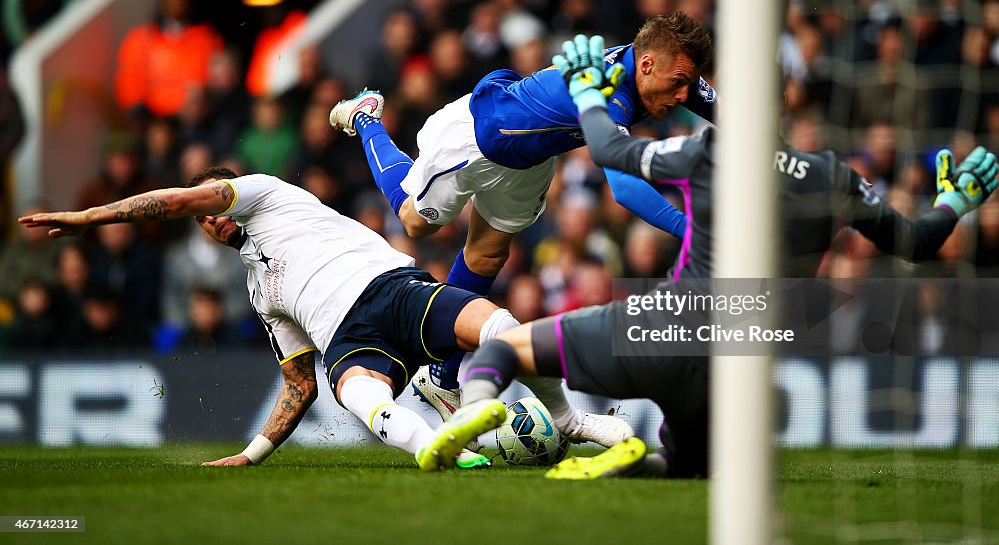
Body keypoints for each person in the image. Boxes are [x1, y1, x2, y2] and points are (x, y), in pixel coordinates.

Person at [416, 34, 999, 478]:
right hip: (741, 362)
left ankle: (470, 404)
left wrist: (590, 95)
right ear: (785, 105)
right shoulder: (833, 177)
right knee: (690, 468)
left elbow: (612, 156)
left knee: (502, 345)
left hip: (662, 330)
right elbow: (919, 242)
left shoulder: (696, 156)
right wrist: (954, 201)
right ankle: (639, 462)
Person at [19, 166, 631, 469]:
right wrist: (251, 455)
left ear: (228, 195)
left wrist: (82, 219)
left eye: (209, 204)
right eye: (201, 221)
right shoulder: (260, 291)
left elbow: (175, 200)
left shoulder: (263, 192)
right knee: (355, 394)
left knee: (497, 327)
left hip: (391, 287)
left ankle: (569, 419)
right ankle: (441, 451)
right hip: (348, 338)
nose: (207, 217)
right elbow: (298, 383)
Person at [329, 12, 716, 398]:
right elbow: (625, 188)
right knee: (416, 223)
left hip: (532, 159)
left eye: (688, 84)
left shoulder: (672, 72)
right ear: (646, 65)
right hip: (481, 136)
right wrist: (691, 231)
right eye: (678, 84)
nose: (683, 96)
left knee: (484, 258)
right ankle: (366, 118)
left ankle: (441, 377)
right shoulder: (608, 91)